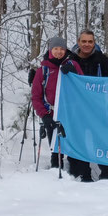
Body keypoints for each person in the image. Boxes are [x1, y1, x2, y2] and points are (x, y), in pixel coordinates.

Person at [72, 29, 108, 181]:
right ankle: (82, 173)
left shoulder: (100, 59)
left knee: (101, 139)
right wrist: (36, 74)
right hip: (77, 108)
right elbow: (57, 72)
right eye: (84, 41)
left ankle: (106, 172)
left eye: (90, 41)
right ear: (78, 42)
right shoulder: (71, 59)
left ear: (94, 42)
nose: (87, 44)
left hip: (97, 108)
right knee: (79, 140)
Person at [31, 37, 84, 172]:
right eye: (56, 49)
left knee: (73, 144)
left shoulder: (73, 64)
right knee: (55, 146)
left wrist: (74, 73)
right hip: (52, 113)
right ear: (50, 50)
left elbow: (83, 86)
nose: (59, 52)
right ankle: (55, 171)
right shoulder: (43, 70)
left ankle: (76, 172)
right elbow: (36, 96)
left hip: (71, 112)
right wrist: (44, 115)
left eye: (62, 49)